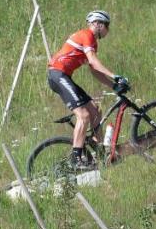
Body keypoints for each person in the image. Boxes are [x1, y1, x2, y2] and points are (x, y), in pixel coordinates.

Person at [46, 10, 128, 170]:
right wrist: (115, 76)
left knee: (95, 112)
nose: (108, 30)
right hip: (57, 74)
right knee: (83, 115)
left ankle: (101, 152)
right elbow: (94, 61)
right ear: (97, 24)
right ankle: (75, 157)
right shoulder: (86, 35)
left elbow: (94, 70)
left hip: (64, 76)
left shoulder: (92, 42)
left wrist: (113, 86)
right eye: (106, 25)